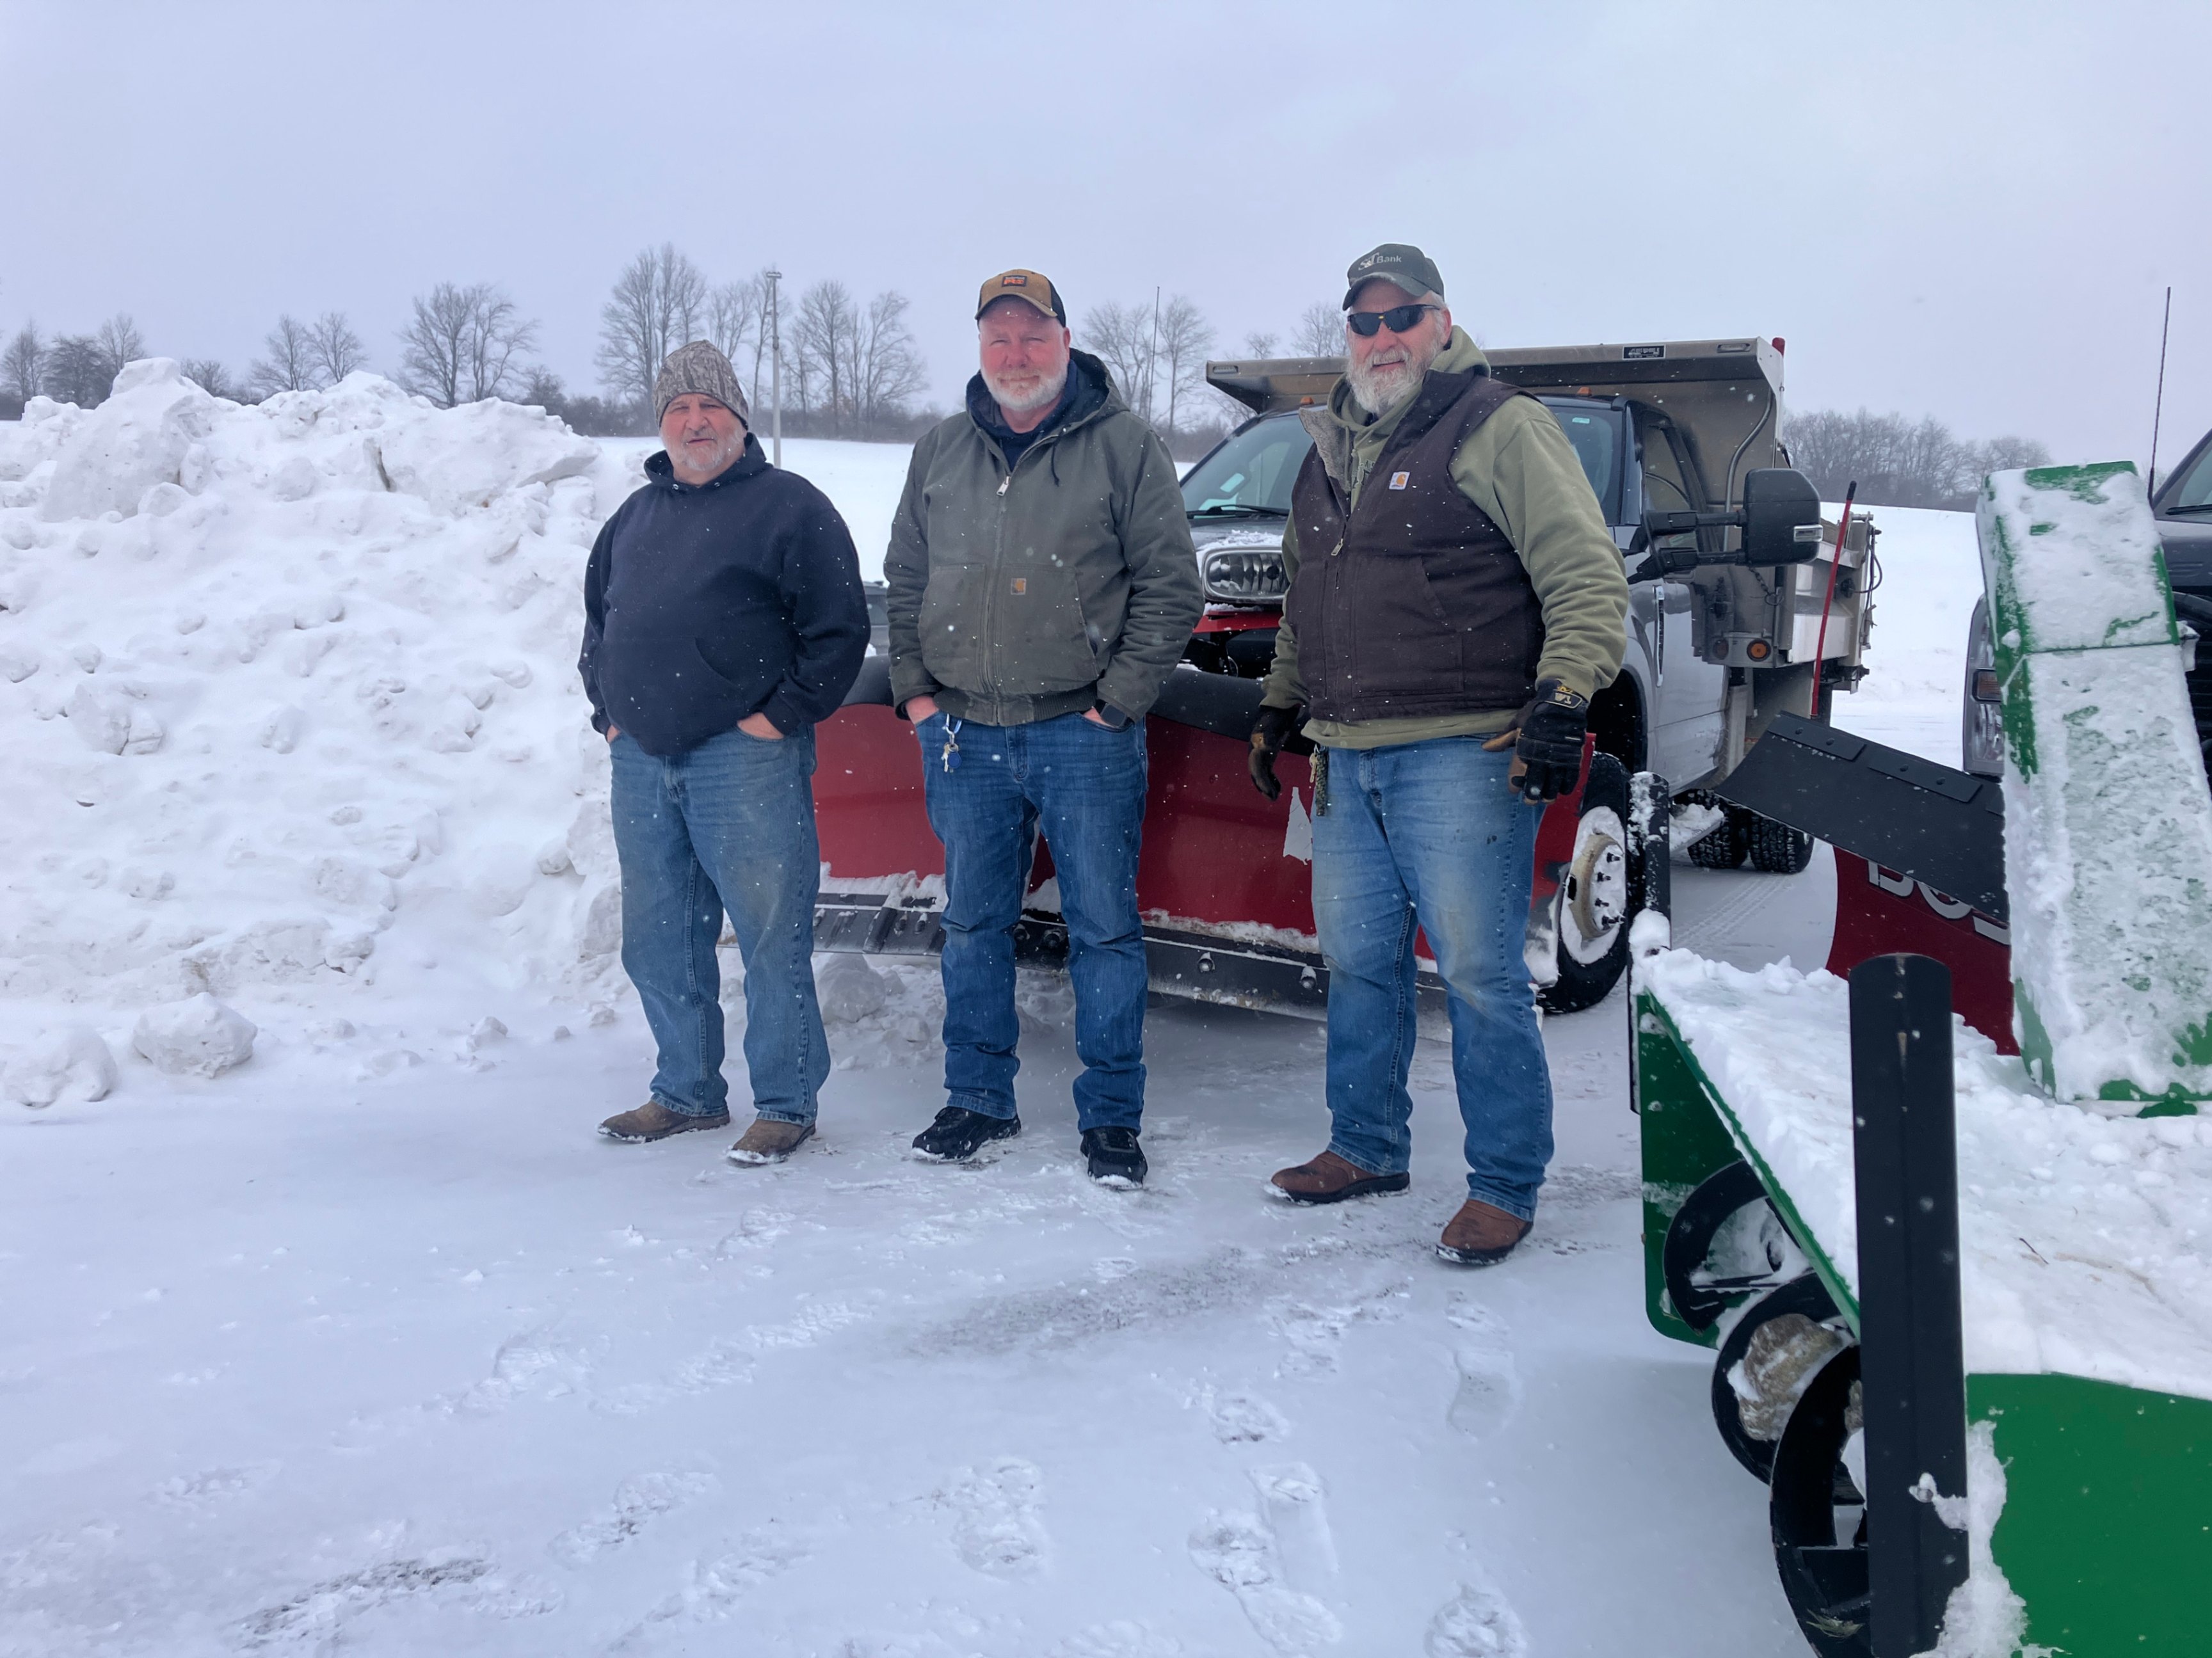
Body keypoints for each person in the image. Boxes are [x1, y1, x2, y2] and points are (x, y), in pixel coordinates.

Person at [1249, 244, 1629, 1264]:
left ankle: (1505, 1182)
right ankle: (1366, 1147)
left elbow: (1585, 575)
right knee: (1360, 965)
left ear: (1441, 322)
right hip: (1345, 758)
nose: (1381, 339)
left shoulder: (1497, 423)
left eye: (1401, 317)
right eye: (1363, 322)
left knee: (1476, 973)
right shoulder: (1326, 443)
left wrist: (1564, 693)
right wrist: (1280, 703)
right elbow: (1307, 595)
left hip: (1462, 753)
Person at [884, 269, 1203, 1186]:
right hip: (962, 736)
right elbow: (906, 577)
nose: (1015, 355)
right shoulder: (941, 450)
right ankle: (977, 1099)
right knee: (974, 924)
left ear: (1066, 342)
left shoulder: (1124, 446)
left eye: (1033, 336)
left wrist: (1120, 702)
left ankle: (1111, 1117)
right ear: (980, 350)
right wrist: (916, 693)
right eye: (999, 338)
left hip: (1082, 734)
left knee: (1103, 929)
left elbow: (1171, 585)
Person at [582, 340, 869, 1165]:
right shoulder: (632, 518)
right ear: (662, 426)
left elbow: (837, 630)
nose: (694, 421)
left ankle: (784, 1102)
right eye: (678, 409)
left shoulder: (790, 507)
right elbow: (598, 624)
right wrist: (607, 710)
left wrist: (779, 719)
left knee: (769, 933)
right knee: (659, 935)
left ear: (738, 420)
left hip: (742, 761)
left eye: (710, 406)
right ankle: (686, 1092)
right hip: (642, 758)